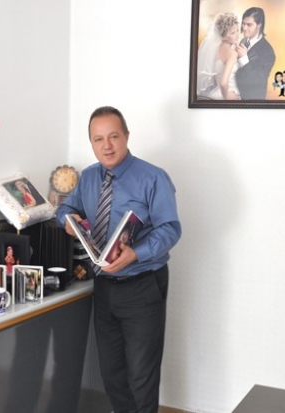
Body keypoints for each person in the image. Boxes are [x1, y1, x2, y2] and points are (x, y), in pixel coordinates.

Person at [56, 106, 182, 413]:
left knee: (141, 374)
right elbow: (64, 210)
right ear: (91, 143)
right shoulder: (88, 177)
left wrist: (135, 253)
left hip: (142, 286)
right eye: (98, 139)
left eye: (113, 136)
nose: (107, 146)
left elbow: (170, 229)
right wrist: (69, 222)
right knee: (111, 373)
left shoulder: (153, 178)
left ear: (126, 136)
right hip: (104, 286)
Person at [196, 12, 242, 99]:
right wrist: (226, 96)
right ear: (223, 36)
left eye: (237, 30)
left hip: (215, 94)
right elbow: (223, 83)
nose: (237, 35)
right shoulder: (232, 53)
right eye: (233, 33)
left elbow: (214, 80)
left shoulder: (215, 50)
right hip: (228, 94)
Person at [235, 7, 276, 99]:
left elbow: (257, 82)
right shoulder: (243, 41)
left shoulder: (268, 52)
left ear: (259, 25)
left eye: (249, 25)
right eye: (243, 24)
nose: (244, 28)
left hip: (252, 102)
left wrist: (243, 59)